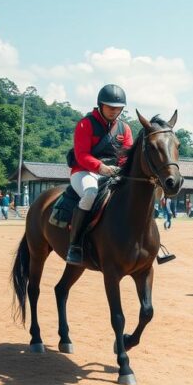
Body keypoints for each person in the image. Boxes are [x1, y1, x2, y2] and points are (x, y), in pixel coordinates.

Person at [66, 84, 134, 266]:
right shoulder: (85, 124)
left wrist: (121, 169)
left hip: (113, 173)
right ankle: (75, 244)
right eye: (111, 107)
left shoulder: (125, 129)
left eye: (118, 108)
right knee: (90, 193)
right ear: (100, 105)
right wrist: (101, 167)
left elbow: (126, 156)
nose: (115, 111)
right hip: (84, 171)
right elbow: (81, 155)